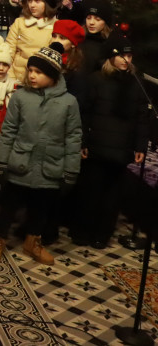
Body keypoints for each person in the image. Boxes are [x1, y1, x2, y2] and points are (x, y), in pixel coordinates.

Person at [0, 43, 81, 265]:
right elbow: (9, 129)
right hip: (21, 161)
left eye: (38, 72)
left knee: (41, 208)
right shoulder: (21, 97)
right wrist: (1, 160)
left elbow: (73, 137)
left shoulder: (69, 102)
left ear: (52, 75)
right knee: (8, 205)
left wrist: (71, 170)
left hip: (49, 165)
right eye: (30, 70)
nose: (32, 75)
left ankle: (33, 242)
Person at [72, 33, 148, 249]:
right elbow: (84, 113)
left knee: (112, 197)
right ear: (110, 57)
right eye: (121, 55)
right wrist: (83, 142)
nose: (126, 60)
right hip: (97, 146)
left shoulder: (137, 84)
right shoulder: (96, 80)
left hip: (121, 149)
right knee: (90, 191)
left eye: (129, 55)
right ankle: (81, 231)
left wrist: (140, 145)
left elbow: (142, 117)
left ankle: (101, 235)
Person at [4, 0, 58, 80]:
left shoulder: (56, 26)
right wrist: (11, 78)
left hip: (42, 80)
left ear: (47, 3)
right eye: (30, 1)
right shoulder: (19, 23)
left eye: (37, 1)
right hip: (16, 78)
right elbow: (8, 53)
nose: (32, 5)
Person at [78, 0, 113, 75]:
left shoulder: (109, 46)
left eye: (97, 19)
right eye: (88, 18)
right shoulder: (78, 40)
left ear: (105, 22)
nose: (91, 22)